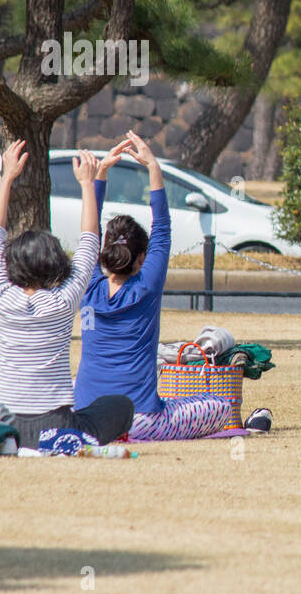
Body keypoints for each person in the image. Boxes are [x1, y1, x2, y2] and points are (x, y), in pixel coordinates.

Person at [0, 141, 133, 448]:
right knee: (120, 405)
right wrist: (88, 183)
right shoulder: (64, 299)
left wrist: (7, 177)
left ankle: (3, 443)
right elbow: (89, 242)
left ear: (12, 263)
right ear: (55, 263)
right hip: (55, 425)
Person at [72, 132, 232, 440]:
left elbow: (87, 235)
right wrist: (153, 167)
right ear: (142, 257)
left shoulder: (87, 286)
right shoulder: (146, 286)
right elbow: (163, 227)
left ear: (103, 251)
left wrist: (99, 176)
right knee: (220, 405)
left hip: (85, 418)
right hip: (139, 421)